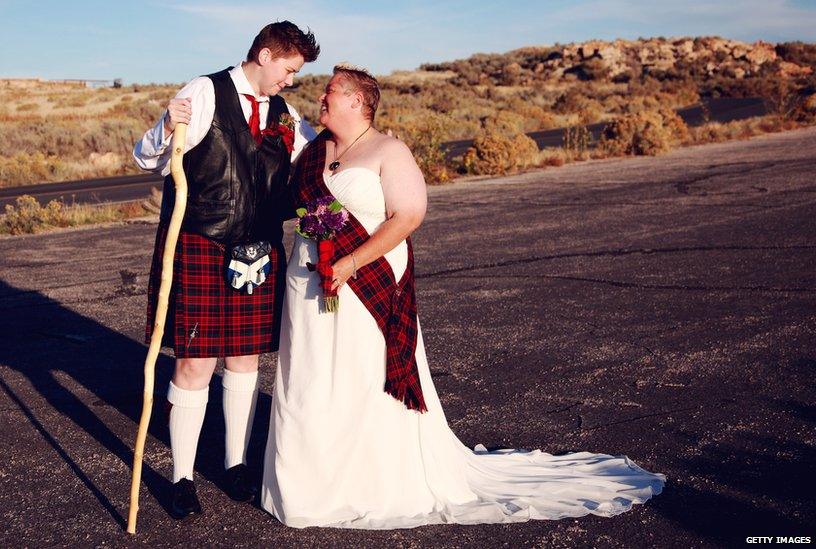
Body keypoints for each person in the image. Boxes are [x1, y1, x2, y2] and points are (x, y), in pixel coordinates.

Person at [260, 64, 665, 529]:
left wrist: (351, 262)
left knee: (359, 376)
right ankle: (307, 484)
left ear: (357, 101)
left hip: (365, 281)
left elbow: (408, 216)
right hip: (309, 279)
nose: (322, 97)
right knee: (309, 379)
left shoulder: (390, 150)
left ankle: (366, 484)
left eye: (331, 91)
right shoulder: (315, 150)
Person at [132, 21, 319, 519]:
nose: (291, 81)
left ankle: (235, 467)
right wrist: (166, 128)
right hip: (202, 242)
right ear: (264, 54)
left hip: (260, 246)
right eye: (289, 70)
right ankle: (182, 479)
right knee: (194, 363)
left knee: (244, 359)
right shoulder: (204, 91)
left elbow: (315, 162)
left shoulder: (285, 114)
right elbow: (147, 157)